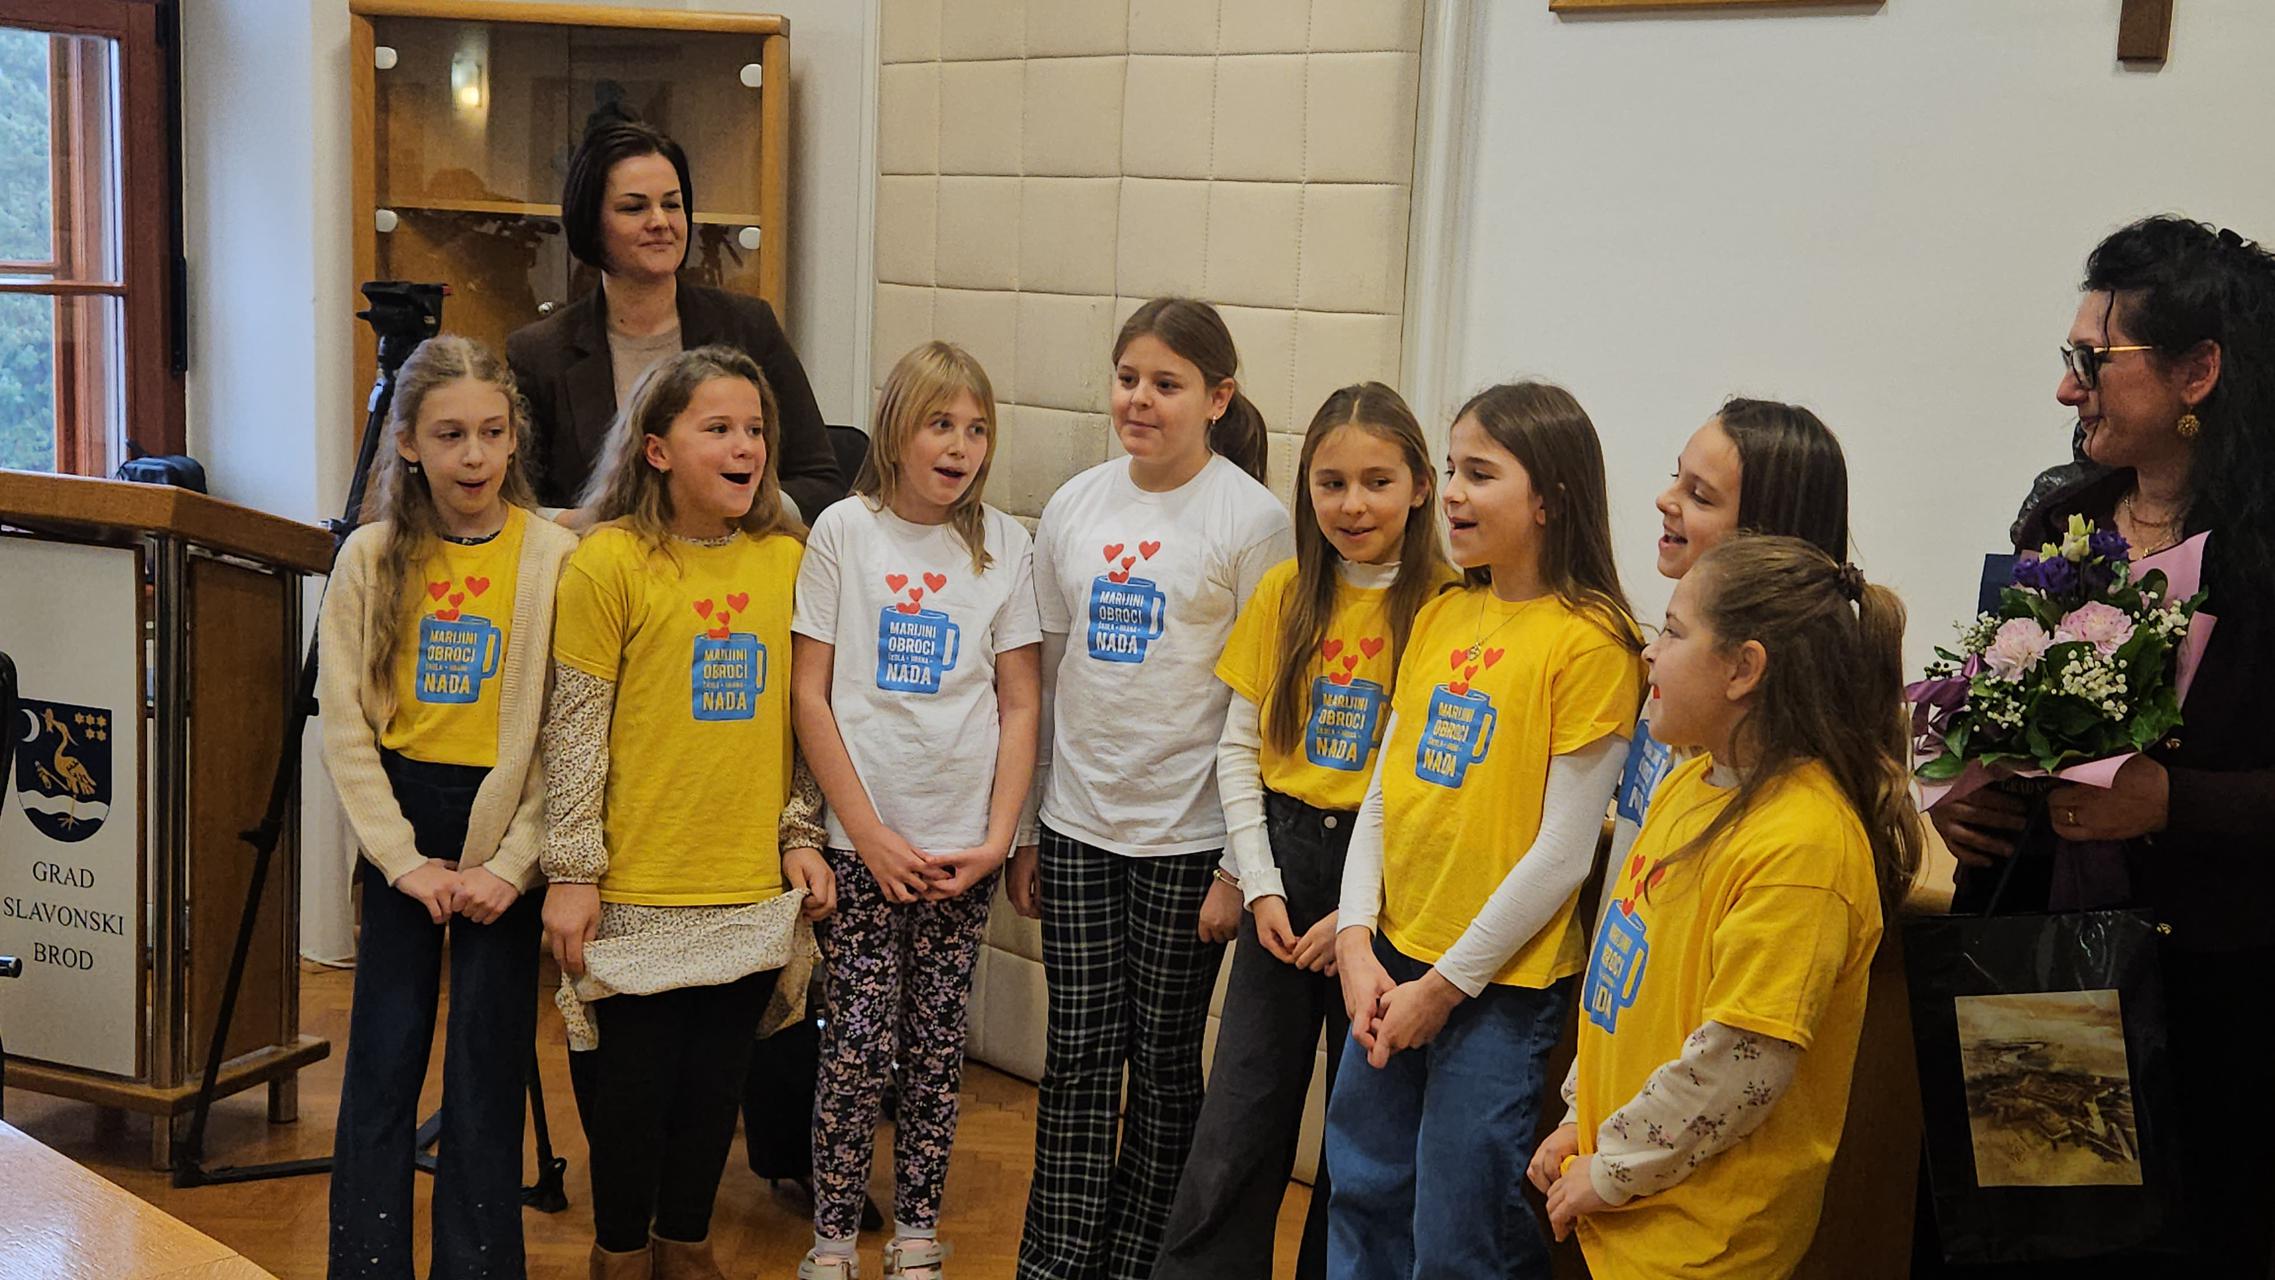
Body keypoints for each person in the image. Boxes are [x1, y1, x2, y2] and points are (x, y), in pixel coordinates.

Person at [1928, 216, 2275, 1275]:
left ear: (2196, 372)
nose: (2065, 389)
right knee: (2023, 1237)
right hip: (2041, 965)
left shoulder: (2260, 549)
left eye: (2092, 360)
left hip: (2218, 995)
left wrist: (2175, 802)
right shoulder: (2059, 518)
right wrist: (1969, 794)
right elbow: (2004, 717)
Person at [1532, 536, 1919, 1278]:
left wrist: (1610, 1168)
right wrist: (1583, 1118)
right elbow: (1624, 985)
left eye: (1674, 632)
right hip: (1632, 1210)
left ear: (1743, 669)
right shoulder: (1687, 784)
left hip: (1703, 1243)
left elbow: (1739, 1067)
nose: (1649, 651)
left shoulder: (1804, 845)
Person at [1329, 381, 1645, 1279]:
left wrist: (1441, 989)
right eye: (1452, 470)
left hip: (1495, 986)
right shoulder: (1441, 611)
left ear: (1548, 498)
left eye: (1480, 473)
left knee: (1457, 1225)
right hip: (1391, 958)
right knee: (1363, 1193)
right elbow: (1384, 795)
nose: (1453, 494)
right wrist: (1355, 939)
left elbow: (1562, 855)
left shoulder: (1592, 639)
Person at [1011, 298, 1294, 1280]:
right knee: (1079, 1054)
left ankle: (1140, 1261)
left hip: (1189, 842)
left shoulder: (1253, 521)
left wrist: (1236, 866)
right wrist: (1028, 828)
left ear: (1217, 398)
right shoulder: (1074, 505)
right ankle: (1058, 1258)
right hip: (1077, 828)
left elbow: (1262, 708)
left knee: (1166, 1065)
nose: (1139, 398)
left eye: (1166, 383)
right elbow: (1048, 681)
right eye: (1128, 377)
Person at [540, 344, 837, 1279]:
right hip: (636, 886)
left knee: (713, 1095)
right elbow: (575, 731)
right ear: (658, 449)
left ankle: (687, 1247)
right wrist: (572, 871)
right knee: (633, 1098)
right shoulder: (608, 563)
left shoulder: (789, 561)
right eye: (719, 428)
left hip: (745, 885)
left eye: (754, 429)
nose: (745, 445)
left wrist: (800, 833)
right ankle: (620, 1255)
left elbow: (808, 720)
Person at [1152, 382, 1456, 1280]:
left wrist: (1359, 914)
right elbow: (1237, 749)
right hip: (1282, 871)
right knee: (1238, 1118)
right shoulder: (1286, 592)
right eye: (1331, 483)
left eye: (1376, 482)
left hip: (1388, 880)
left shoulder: (1449, 606)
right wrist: (1260, 885)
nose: (1352, 505)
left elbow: (1429, 789)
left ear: (1420, 487)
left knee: (1362, 1131)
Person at [319, 335, 576, 1280]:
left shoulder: (553, 557)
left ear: (514, 439)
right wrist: (399, 860)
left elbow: (563, 732)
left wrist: (512, 864)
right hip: (403, 827)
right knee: (382, 1057)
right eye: (451, 434)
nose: (474, 456)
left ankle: (477, 1265)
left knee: (486, 1063)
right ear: (409, 443)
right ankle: (367, 1261)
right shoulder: (369, 557)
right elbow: (346, 727)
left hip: (504, 830)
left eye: (492, 433)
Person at [791, 342, 1043, 1280]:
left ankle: (918, 1234)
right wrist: (863, 834)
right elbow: (809, 694)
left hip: (957, 852)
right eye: (941, 424)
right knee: (856, 1045)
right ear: (897, 430)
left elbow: (1020, 703)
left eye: (976, 429)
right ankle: (830, 1238)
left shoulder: (1005, 544)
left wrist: (997, 840)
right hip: (862, 845)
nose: (961, 446)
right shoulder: (843, 532)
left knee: (936, 1050)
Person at [506, 119, 842, 520]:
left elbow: (820, 483)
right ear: (590, 223)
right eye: (634, 208)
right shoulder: (539, 352)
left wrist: (732, 509)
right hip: (598, 553)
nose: (660, 222)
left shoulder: (749, 326)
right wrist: (587, 524)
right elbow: (512, 505)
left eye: (671, 205)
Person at [1609, 397, 1853, 898]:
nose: (1665, 499)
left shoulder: (1789, 815)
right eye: (1676, 477)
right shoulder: (1676, 675)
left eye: (1699, 496)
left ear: (1762, 536)